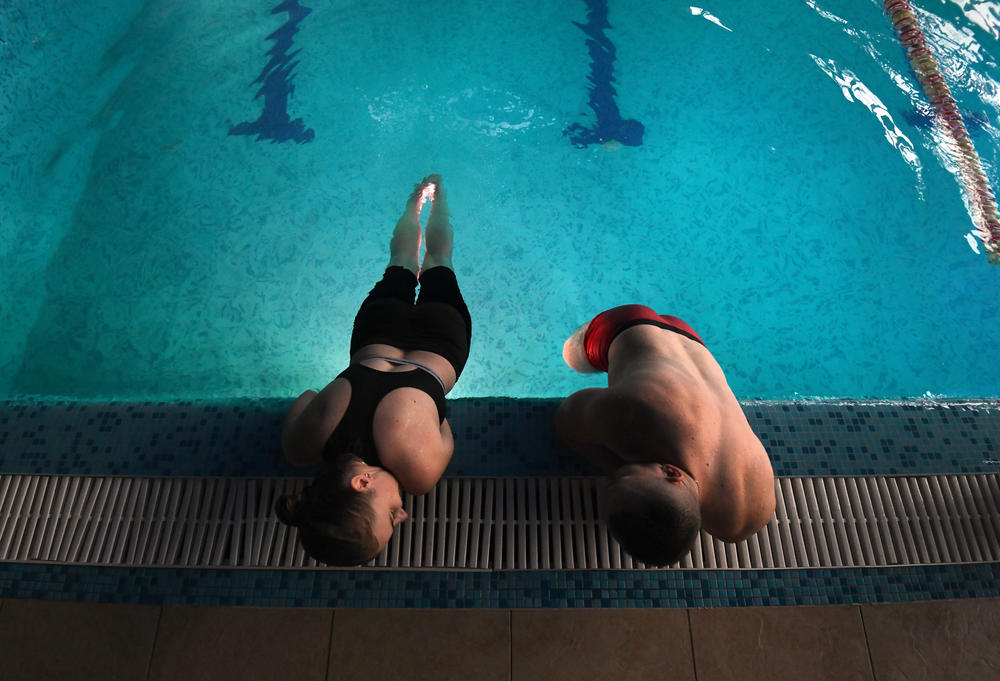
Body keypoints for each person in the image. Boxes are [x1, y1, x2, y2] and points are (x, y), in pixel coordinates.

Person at [276, 174, 471, 566]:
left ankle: (442, 201)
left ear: (362, 483)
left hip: (441, 342)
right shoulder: (301, 447)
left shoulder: (417, 473)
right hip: (377, 332)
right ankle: (418, 202)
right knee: (400, 262)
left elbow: (445, 429)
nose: (403, 514)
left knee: (438, 263)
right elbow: (309, 397)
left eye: (390, 518)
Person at [555, 305, 775, 566]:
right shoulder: (630, 417)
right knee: (570, 354)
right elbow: (566, 418)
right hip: (627, 324)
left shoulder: (745, 519)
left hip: (693, 344)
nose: (618, 471)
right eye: (625, 473)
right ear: (671, 472)